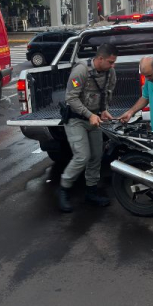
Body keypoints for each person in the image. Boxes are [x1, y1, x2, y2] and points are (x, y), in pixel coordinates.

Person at [57, 43, 118, 213]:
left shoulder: (110, 73)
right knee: (82, 156)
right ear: (100, 59)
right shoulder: (81, 71)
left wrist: (104, 110)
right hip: (76, 119)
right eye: (110, 62)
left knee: (96, 156)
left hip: (95, 119)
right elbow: (71, 98)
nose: (113, 66)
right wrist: (89, 115)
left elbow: (107, 92)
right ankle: (64, 188)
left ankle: (91, 191)